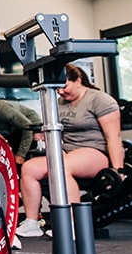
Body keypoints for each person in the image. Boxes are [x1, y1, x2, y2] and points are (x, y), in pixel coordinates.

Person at [16, 64, 124, 238]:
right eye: (58, 88)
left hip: (96, 152)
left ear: (78, 80)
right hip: (68, 152)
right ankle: (32, 222)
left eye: (64, 86)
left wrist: (119, 170)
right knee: (29, 168)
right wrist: (44, 135)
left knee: (61, 167)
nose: (60, 92)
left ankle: (72, 225)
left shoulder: (100, 100)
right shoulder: (60, 102)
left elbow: (113, 136)